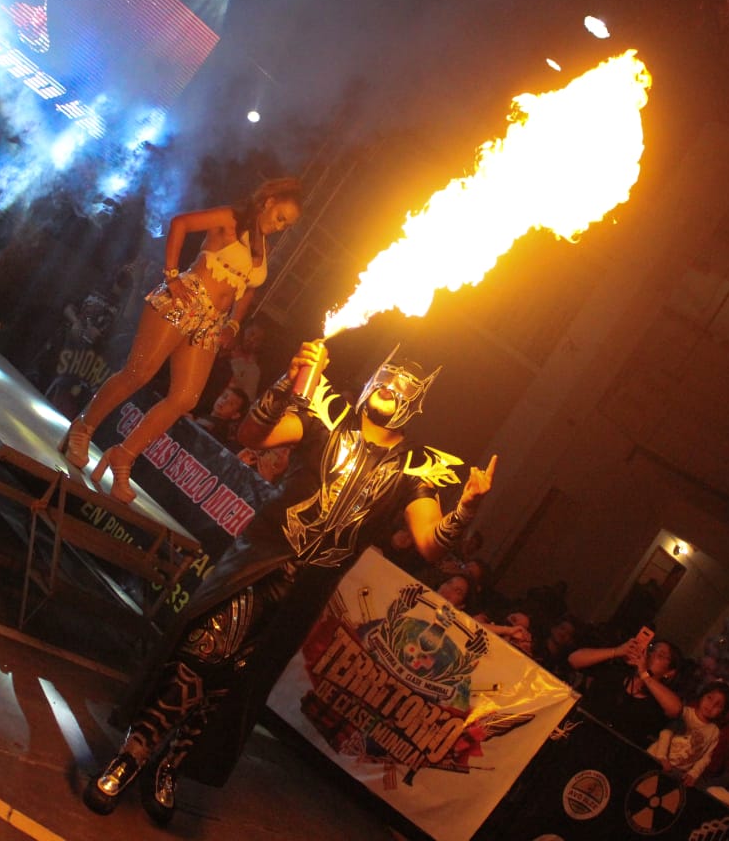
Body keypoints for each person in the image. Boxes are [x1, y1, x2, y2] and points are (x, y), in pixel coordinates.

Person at [83, 340, 498, 824]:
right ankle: (131, 755)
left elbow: (430, 544)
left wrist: (467, 506)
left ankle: (172, 764)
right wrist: (284, 383)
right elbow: (254, 434)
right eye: (383, 380)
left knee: (235, 681)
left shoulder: (416, 468)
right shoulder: (326, 416)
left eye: (399, 388)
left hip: (307, 590)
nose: (387, 390)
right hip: (260, 559)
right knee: (202, 652)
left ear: (414, 402)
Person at [60, 177, 304, 502]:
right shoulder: (230, 219)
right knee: (139, 372)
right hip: (184, 300)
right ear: (268, 202)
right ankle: (84, 426)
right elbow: (180, 223)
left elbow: (249, 289)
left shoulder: (263, 247)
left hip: (211, 322)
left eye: (286, 224)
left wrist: (233, 324)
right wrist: (172, 275)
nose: (280, 226)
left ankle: (124, 454)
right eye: (280, 217)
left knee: (186, 398)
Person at [567, 636, 683, 747]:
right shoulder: (617, 672)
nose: (652, 655)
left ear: (670, 672)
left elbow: (676, 709)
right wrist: (617, 651)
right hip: (577, 737)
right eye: (652, 649)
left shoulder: (657, 701)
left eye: (661, 655)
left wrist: (644, 674)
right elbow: (574, 659)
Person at [647, 681, 729, 785]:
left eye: (718, 705)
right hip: (655, 758)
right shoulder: (685, 713)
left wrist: (693, 774)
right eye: (709, 698)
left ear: (723, 711)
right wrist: (662, 757)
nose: (711, 706)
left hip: (676, 772)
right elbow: (666, 733)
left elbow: (706, 757)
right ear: (702, 696)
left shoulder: (714, 732)